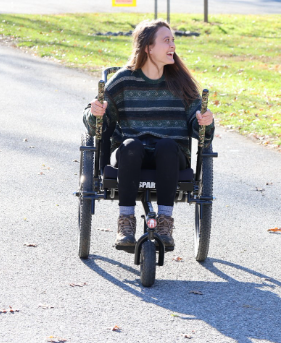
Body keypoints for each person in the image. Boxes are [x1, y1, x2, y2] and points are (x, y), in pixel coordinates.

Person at [83, 19, 214, 251]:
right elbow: (97, 125)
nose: (172, 45)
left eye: (173, 40)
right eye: (166, 40)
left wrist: (204, 121)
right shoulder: (124, 80)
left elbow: (198, 126)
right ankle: (126, 224)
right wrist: (95, 112)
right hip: (131, 154)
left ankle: (164, 223)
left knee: (166, 146)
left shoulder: (181, 83)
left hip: (171, 155)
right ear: (148, 48)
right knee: (131, 145)